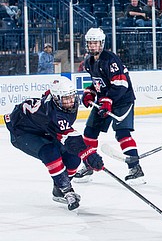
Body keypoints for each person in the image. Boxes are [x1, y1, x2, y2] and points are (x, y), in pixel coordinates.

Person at [3, 76, 104, 211]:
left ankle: (58, 188)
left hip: (45, 130)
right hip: (22, 132)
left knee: (73, 158)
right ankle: (66, 190)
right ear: (56, 99)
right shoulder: (52, 113)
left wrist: (85, 154)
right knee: (50, 152)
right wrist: (89, 154)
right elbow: (70, 137)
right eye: (65, 99)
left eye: (71, 97)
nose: (69, 102)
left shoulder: (63, 103)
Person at [74, 28, 145, 185]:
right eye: (90, 43)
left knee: (122, 133)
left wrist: (108, 100)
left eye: (96, 43)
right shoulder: (88, 62)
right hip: (106, 100)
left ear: (102, 43)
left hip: (122, 100)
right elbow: (98, 84)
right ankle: (89, 165)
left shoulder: (111, 59)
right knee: (89, 132)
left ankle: (136, 169)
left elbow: (121, 84)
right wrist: (90, 92)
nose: (93, 46)